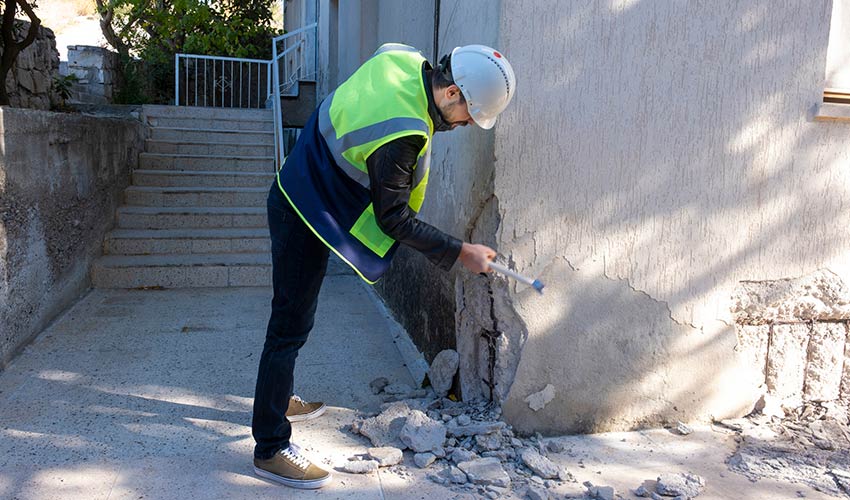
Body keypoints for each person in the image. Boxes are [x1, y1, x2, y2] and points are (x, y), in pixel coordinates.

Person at [251, 42, 516, 489]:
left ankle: (276, 399)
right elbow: (392, 218)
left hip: (305, 185)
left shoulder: (403, 59)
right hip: (303, 210)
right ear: (451, 93)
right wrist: (459, 251)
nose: (469, 124)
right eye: (470, 113)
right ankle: (270, 446)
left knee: (295, 321)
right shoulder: (406, 132)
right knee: (289, 326)